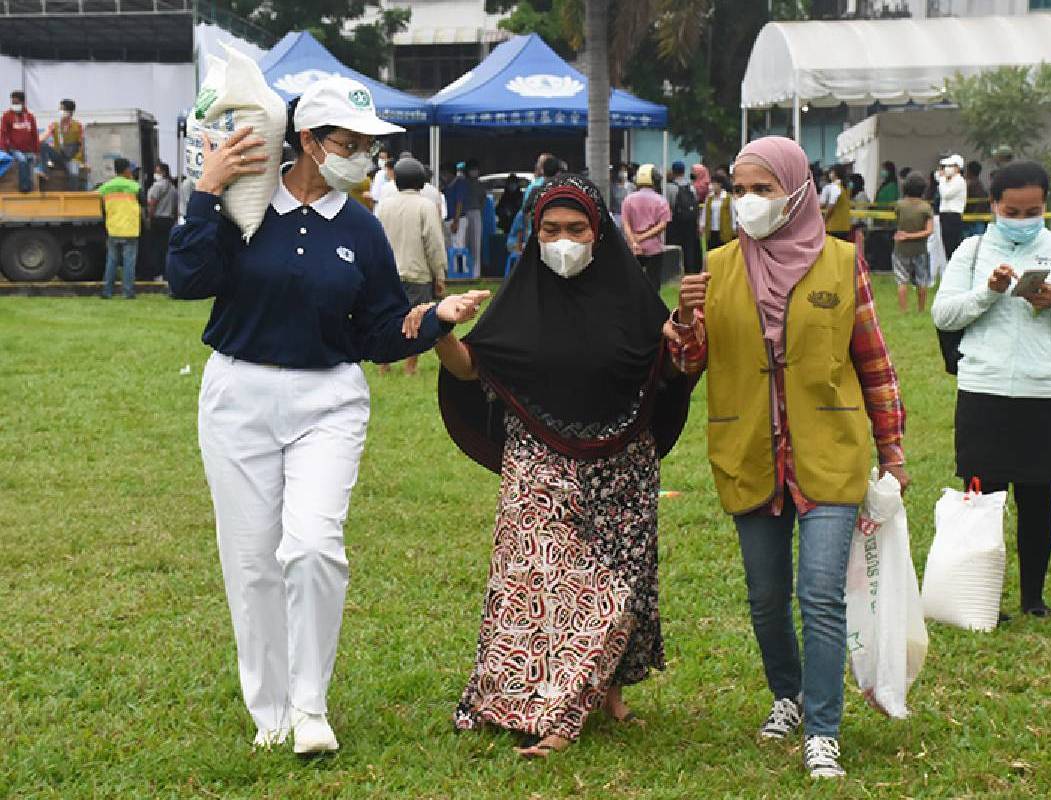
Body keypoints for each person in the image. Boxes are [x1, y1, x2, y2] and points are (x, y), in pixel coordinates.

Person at [165, 76, 489, 754]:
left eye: (370, 145)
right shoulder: (244, 205)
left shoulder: (364, 229)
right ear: (308, 141)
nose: (365, 156)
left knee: (312, 547)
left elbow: (374, 330)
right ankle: (271, 712)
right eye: (351, 142)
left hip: (329, 400)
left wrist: (434, 318)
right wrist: (205, 190)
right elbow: (187, 281)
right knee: (251, 562)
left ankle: (310, 707)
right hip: (238, 395)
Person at [669, 136, 908, 780]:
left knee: (820, 595)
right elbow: (689, 364)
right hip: (749, 449)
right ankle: (789, 695)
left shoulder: (841, 261)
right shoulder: (716, 267)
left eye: (762, 189)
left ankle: (823, 730)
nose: (747, 202)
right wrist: (685, 321)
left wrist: (894, 449)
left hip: (829, 451)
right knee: (766, 596)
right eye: (738, 190)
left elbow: (873, 360)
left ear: (797, 190)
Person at [432, 173, 694, 758]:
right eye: (551, 229)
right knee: (542, 583)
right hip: (539, 462)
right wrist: (440, 330)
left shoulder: (631, 298)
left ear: (599, 232)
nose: (564, 240)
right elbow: (473, 366)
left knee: (622, 586)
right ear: (534, 233)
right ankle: (550, 711)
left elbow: (667, 367)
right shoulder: (521, 295)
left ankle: (606, 692)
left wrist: (685, 337)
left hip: (623, 465)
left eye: (576, 228)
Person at [932, 160, 1051, 621]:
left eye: (1033, 211)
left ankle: (1033, 598)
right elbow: (944, 315)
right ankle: (981, 596)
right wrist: (988, 292)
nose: (1023, 220)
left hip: (1044, 391)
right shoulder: (972, 250)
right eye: (1013, 211)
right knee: (983, 500)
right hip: (984, 390)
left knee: (1039, 499)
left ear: (1046, 206)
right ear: (994, 206)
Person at [375, 156, 448, 375]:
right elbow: (433, 242)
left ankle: (383, 365)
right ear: (421, 182)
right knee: (417, 319)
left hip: (386, 273)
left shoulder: (383, 206)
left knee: (385, 319)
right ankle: (410, 366)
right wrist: (440, 273)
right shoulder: (425, 206)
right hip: (418, 273)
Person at [97, 157, 142, 299]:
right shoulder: (134, 186)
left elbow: (100, 206)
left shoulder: (105, 187)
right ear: (127, 170)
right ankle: (127, 292)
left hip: (113, 228)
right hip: (130, 229)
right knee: (129, 262)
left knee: (111, 262)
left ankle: (107, 291)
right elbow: (144, 201)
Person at [622, 163, 672, 289]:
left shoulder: (628, 199)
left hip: (633, 248)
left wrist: (634, 241)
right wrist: (644, 237)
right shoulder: (660, 200)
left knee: (633, 283)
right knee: (653, 284)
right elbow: (662, 225)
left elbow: (625, 223)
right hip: (654, 248)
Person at [892, 173, 935, 313]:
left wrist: (905, 235)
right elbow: (929, 231)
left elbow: (897, 222)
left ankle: (903, 310)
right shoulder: (926, 207)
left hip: (900, 249)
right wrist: (911, 236)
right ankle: (921, 310)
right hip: (920, 249)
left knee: (901, 281)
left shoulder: (899, 205)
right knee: (922, 281)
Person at [39, 98, 86, 190]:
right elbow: (44, 135)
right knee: (43, 146)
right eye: (59, 109)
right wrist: (35, 140)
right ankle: (45, 172)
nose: (60, 111)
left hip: (72, 158)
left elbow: (81, 145)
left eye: (62, 109)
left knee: (74, 174)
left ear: (70, 112)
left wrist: (78, 160)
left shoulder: (78, 126)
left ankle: (72, 196)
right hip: (58, 156)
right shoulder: (55, 125)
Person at [1, 90, 41, 192]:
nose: (14, 105)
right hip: (14, 149)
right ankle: (24, 187)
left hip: (29, 149)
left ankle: (32, 188)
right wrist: (4, 150)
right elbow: (3, 133)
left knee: (30, 162)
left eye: (16, 103)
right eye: (13, 103)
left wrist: (36, 151)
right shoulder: (7, 116)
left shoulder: (30, 116)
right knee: (22, 160)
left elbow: (34, 134)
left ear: (23, 103)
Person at [666, 161, 701, 274]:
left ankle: (674, 271)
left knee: (675, 247)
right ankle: (690, 268)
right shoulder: (691, 187)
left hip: (675, 223)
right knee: (690, 246)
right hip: (690, 222)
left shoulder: (670, 188)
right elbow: (696, 203)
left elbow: (668, 205)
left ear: (673, 171)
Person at [145, 162, 179, 280]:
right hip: (168, 221)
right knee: (166, 248)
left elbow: (152, 204)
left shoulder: (157, 186)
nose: (156, 174)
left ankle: (157, 273)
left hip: (157, 220)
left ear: (163, 172)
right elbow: (175, 208)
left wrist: (149, 218)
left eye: (158, 171)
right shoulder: (173, 188)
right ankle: (167, 273)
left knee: (155, 248)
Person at [937, 154, 968, 259]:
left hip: (953, 216)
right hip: (945, 215)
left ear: (957, 167)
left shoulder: (959, 181)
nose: (946, 168)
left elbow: (946, 194)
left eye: (950, 166)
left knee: (953, 245)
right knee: (947, 245)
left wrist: (941, 180)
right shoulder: (947, 181)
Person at [700, 171, 736, 251]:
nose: (712, 186)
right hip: (711, 229)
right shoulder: (709, 198)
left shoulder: (728, 197)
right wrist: (702, 224)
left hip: (724, 229)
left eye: (714, 184)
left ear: (720, 185)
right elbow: (705, 212)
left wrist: (734, 227)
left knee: (724, 250)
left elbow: (732, 213)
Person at [820, 165, 851, 241]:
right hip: (844, 226)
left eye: (831, 172)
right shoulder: (845, 187)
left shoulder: (834, 187)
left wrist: (824, 221)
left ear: (835, 174)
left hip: (834, 227)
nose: (830, 174)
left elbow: (831, 207)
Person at [964, 160, 989, 237]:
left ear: (969, 171)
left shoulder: (970, 185)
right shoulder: (980, 185)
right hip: (980, 217)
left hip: (972, 219)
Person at [610, 163, 634, 230]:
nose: (623, 173)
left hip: (630, 217)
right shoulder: (613, 187)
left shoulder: (631, 186)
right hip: (617, 216)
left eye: (624, 170)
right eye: (621, 170)